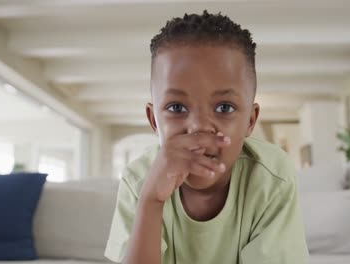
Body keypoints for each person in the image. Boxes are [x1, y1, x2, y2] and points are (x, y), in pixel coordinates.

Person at [105, 10, 308, 264]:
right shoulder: (138, 180)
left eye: (224, 108)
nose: (199, 128)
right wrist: (151, 200)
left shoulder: (272, 177)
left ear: (250, 121)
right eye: (176, 108)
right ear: (154, 120)